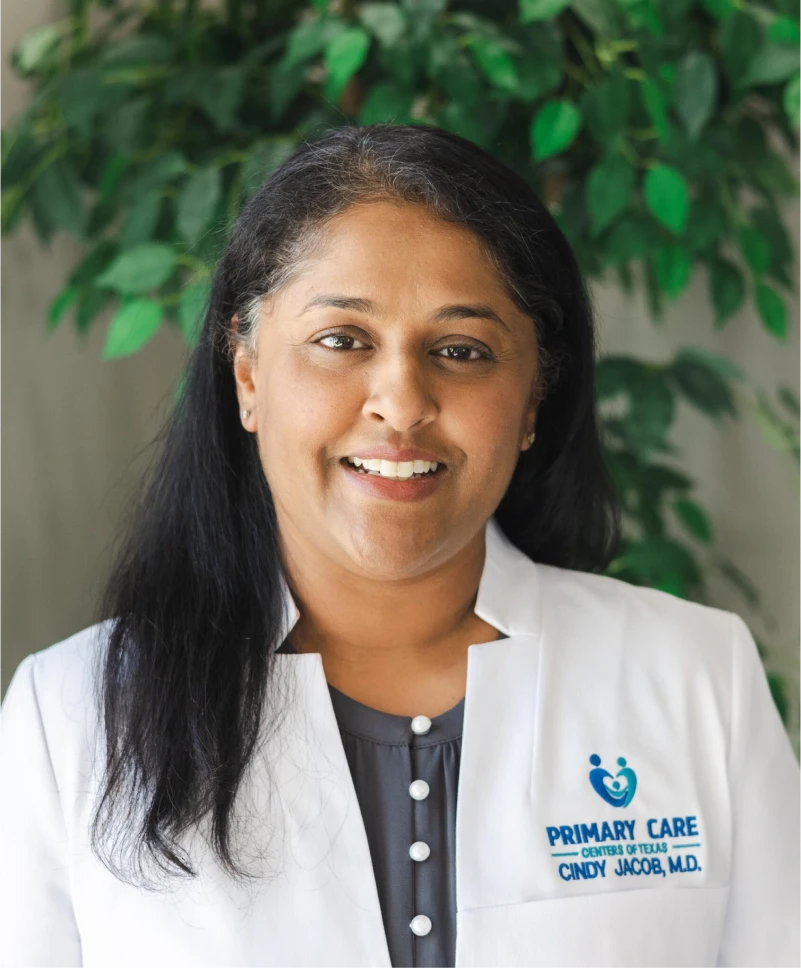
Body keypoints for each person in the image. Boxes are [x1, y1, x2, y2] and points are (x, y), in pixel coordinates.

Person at [1, 123, 799, 968]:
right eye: (342, 341)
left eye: (461, 350)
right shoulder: (70, 719)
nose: (401, 402)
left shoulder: (698, 676)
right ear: (247, 375)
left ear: (533, 400)